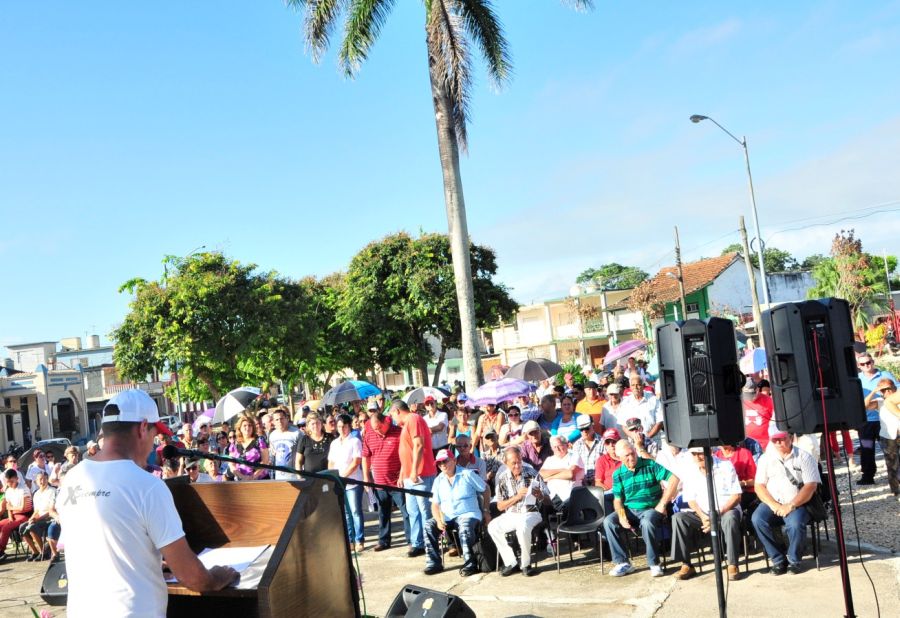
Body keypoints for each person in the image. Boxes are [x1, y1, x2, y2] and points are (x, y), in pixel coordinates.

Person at [55, 389, 237, 614]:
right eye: (154, 434)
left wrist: (147, 562)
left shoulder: (72, 478)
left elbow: (102, 546)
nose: (153, 444)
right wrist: (217, 577)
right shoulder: (147, 486)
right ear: (143, 428)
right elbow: (192, 577)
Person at [603, 440, 679, 577]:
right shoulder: (618, 474)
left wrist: (662, 504)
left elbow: (674, 479)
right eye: (626, 456)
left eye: (632, 453)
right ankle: (622, 562)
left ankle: (654, 563)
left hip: (651, 508)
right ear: (619, 457)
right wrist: (621, 515)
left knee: (647, 522)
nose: (631, 458)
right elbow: (618, 500)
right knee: (608, 521)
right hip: (630, 510)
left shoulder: (650, 465)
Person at [752, 426, 821, 574]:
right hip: (773, 501)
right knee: (757, 519)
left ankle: (794, 560)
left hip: (798, 502)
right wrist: (773, 504)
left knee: (795, 524)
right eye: (774, 440)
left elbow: (811, 485)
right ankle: (777, 559)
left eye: (781, 439)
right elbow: (759, 486)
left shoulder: (804, 456)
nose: (778, 443)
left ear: (791, 437)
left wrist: (791, 505)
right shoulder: (765, 459)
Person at [670, 448, 743, 581]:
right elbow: (690, 499)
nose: (697, 457)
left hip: (725, 510)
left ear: (709, 452)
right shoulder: (690, 470)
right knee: (678, 518)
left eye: (700, 453)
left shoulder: (725, 466)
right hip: (702, 513)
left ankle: (732, 564)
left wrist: (718, 514)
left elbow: (736, 496)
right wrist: (704, 517)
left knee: (731, 518)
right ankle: (686, 564)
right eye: (694, 454)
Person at [423, 449, 489, 577]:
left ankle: (470, 564)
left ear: (454, 460)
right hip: (448, 516)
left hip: (468, 513)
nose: (442, 465)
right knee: (428, 525)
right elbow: (435, 505)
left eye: (445, 461)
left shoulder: (467, 474)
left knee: (464, 526)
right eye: (439, 463)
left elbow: (485, 489)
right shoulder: (438, 480)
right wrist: (438, 520)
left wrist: (486, 510)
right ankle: (433, 563)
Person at [489, 447, 551, 577]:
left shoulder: (532, 473)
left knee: (522, 527)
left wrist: (539, 495)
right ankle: (511, 562)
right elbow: (500, 506)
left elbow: (548, 500)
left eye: (519, 462)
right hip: (512, 514)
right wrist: (517, 497)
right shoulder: (502, 478)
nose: (517, 465)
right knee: (492, 527)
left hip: (531, 513)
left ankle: (525, 564)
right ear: (506, 463)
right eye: (513, 463)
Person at [391, 400, 438, 558]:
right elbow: (408, 451)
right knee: (413, 511)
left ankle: (430, 543)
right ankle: (417, 542)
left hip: (421, 474)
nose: (392, 419)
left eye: (391, 414)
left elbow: (418, 445)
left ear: (397, 411)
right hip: (409, 476)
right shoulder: (406, 425)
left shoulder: (413, 419)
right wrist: (403, 473)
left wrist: (413, 471)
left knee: (425, 511)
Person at [361, 405, 410, 552]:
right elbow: (365, 456)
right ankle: (383, 540)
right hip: (380, 482)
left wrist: (402, 474)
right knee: (383, 512)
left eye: (379, 428)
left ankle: (411, 540)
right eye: (374, 428)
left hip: (398, 481)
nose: (377, 431)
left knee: (406, 512)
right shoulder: (370, 435)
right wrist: (366, 477)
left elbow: (405, 456)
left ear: (386, 422)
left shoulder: (398, 433)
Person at [858, 356, 898, 485]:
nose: (866, 365)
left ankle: (894, 477)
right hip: (866, 419)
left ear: (873, 362)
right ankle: (868, 476)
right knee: (866, 449)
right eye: (863, 364)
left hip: (886, 419)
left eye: (868, 362)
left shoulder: (885, 375)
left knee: (890, 449)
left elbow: (897, 389)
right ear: (859, 366)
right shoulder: (858, 378)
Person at [329, 414, 365, 552]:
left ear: (349, 426)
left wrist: (343, 475)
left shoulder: (355, 441)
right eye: (339, 426)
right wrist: (333, 476)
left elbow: (356, 462)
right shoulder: (334, 443)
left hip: (353, 482)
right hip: (339, 482)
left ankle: (359, 539)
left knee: (355, 511)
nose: (342, 429)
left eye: (344, 426)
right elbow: (331, 462)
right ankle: (350, 540)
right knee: (346, 513)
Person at [21, 469, 58, 560]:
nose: (42, 481)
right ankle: (36, 551)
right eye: (40, 479)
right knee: (22, 527)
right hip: (39, 518)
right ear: (36, 482)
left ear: (47, 479)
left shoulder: (52, 491)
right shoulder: (36, 494)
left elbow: (51, 510)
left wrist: (36, 519)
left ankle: (44, 552)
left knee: (32, 527)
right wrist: (32, 518)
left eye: (44, 479)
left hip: (49, 518)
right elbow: (36, 510)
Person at [539, 435, 584, 507]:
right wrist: (563, 470)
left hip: (571, 495)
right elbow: (541, 474)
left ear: (566, 445)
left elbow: (570, 474)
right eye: (554, 447)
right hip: (552, 496)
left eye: (559, 445)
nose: (557, 449)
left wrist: (549, 477)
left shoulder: (574, 456)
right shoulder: (549, 459)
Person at [618, 377, 663, 446]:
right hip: (634, 443)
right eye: (633, 385)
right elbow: (623, 425)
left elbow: (660, 421)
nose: (635, 387)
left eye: (638, 384)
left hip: (653, 441)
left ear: (643, 385)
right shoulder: (625, 402)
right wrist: (634, 437)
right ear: (630, 387)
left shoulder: (654, 400)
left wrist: (648, 437)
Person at [0, 468, 33, 562]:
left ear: (17, 479)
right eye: (8, 482)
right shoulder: (8, 491)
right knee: (2, 524)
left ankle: (1, 550)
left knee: (6, 528)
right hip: (14, 515)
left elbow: (24, 508)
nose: (9, 484)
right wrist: (10, 516)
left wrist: (11, 508)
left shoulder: (24, 489)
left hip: (24, 516)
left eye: (11, 481)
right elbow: (7, 506)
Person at [714, 442, 757, 510]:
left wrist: (742, 483)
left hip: (744, 492)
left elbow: (756, 481)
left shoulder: (744, 453)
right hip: (723, 494)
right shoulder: (716, 456)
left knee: (731, 505)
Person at [228, 412, 270, 480]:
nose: (247, 428)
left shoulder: (260, 441)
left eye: (250, 425)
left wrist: (253, 476)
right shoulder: (235, 445)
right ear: (240, 428)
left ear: (253, 427)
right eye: (244, 425)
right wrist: (242, 476)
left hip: (260, 479)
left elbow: (265, 461)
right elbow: (231, 464)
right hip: (241, 481)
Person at [877, 380, 900, 498]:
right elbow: (864, 405)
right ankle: (896, 489)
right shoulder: (880, 401)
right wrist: (874, 391)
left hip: (898, 433)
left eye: (889, 388)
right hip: (888, 436)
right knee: (892, 463)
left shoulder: (896, 397)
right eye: (883, 390)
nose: (887, 392)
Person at [594, 429, 624, 514]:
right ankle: (613, 522)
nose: (611, 445)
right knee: (604, 498)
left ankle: (621, 520)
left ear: (619, 441)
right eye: (608, 442)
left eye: (614, 442)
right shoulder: (601, 460)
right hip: (609, 492)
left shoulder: (626, 456)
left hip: (626, 491)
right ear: (605, 445)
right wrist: (612, 490)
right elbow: (598, 483)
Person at [268, 406, 302, 481]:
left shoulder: (297, 433)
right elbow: (273, 454)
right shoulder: (272, 435)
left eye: (281, 418)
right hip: (279, 476)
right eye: (276, 419)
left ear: (287, 419)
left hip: (294, 474)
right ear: (273, 422)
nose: (279, 421)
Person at [741, 378, 774, 453]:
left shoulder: (768, 400)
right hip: (745, 445)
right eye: (747, 395)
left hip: (764, 445)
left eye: (751, 395)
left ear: (757, 390)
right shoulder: (740, 401)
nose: (749, 398)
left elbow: (775, 421)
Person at [572, 415, 603, 486]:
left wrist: (597, 479)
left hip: (599, 481)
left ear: (592, 425)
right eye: (581, 429)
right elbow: (574, 466)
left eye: (586, 428)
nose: (584, 431)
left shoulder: (603, 442)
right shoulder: (576, 445)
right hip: (581, 482)